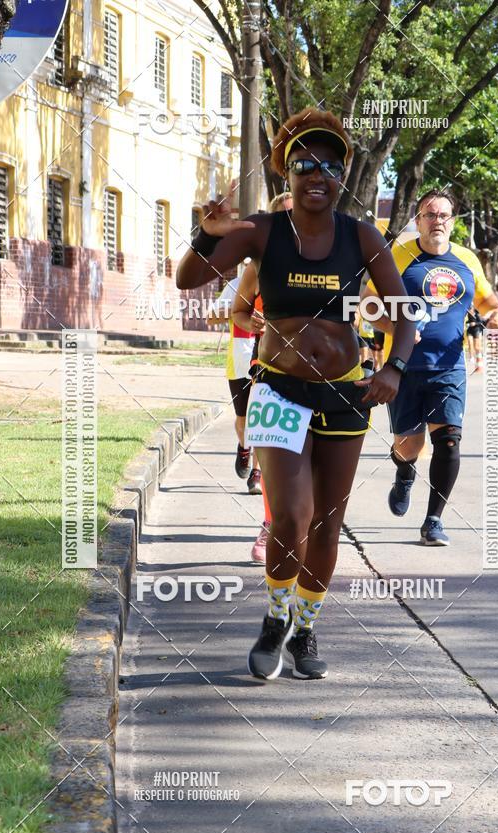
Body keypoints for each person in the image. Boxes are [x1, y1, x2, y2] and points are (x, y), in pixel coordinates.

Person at [177, 107, 415, 680]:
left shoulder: (362, 236)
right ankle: (275, 616)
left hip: (345, 400)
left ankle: (306, 628)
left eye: (330, 167)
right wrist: (205, 235)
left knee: (328, 524)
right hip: (278, 392)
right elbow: (187, 280)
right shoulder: (260, 231)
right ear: (288, 172)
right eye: (305, 164)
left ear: (342, 177)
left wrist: (395, 370)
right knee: (291, 516)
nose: (318, 175)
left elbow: (403, 312)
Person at [366, 188, 498, 547]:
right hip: (403, 367)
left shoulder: (467, 260)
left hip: (448, 367)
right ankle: (404, 472)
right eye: (430, 214)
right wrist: (394, 327)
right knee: (408, 445)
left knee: (448, 443)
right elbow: (366, 304)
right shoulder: (399, 255)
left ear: (453, 222)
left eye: (444, 215)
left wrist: (494, 317)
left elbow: (490, 303)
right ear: (417, 221)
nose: (437, 221)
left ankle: (433, 520)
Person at [231, 191, 293, 564]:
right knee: (271, 449)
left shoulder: (332, 258)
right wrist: (249, 320)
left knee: (312, 456)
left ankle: (305, 524)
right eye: (283, 216)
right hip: (269, 364)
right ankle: (270, 523)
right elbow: (238, 311)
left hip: (321, 371)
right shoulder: (259, 265)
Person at [207, 262, 262, 492]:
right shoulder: (235, 285)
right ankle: (243, 446)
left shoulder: (278, 283)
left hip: (264, 358)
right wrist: (240, 308)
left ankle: (256, 474)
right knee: (243, 419)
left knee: (259, 417)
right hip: (238, 360)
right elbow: (211, 317)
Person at [465, 305, 485, 372]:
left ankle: (479, 355)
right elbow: (466, 321)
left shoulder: (477, 313)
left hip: (476, 329)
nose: (470, 309)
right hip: (469, 329)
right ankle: (471, 357)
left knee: (477, 346)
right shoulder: (467, 313)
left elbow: (481, 322)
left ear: (473, 308)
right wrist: (468, 323)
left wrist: (475, 323)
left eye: (471, 308)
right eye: (469, 308)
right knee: (470, 343)